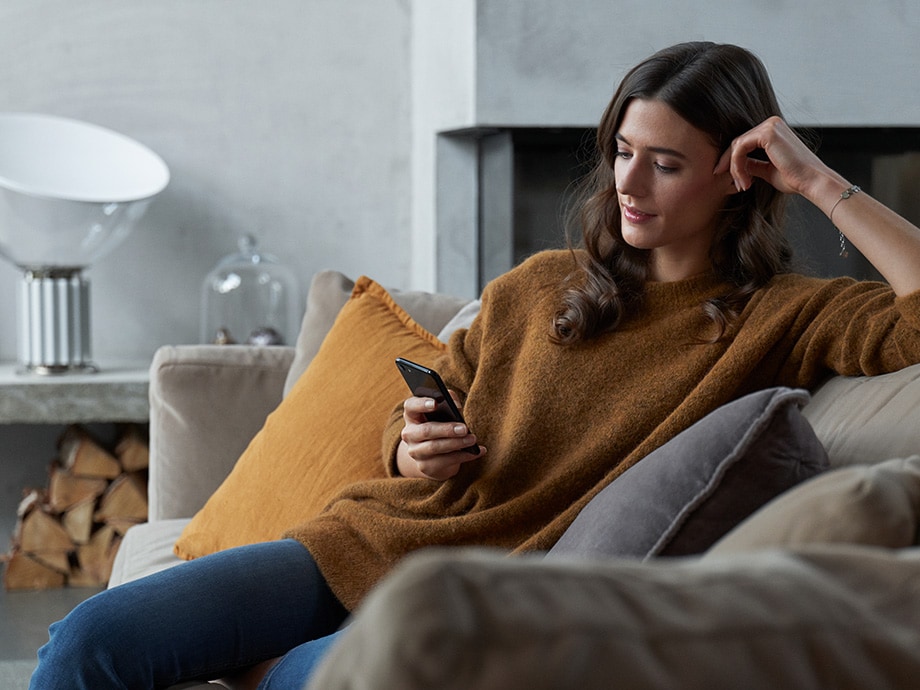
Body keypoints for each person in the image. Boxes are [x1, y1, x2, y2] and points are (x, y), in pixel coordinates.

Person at [31, 41, 920, 689]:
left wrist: (816, 181)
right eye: (621, 152)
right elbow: (422, 406)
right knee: (83, 646)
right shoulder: (539, 286)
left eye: (665, 164)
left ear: (738, 176)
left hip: (464, 596)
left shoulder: (785, 316)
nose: (629, 185)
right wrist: (411, 445)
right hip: (362, 539)